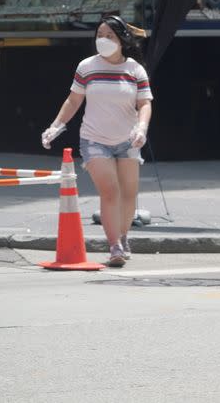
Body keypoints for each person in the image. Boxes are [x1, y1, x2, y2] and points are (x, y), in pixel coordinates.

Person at [41, 15, 153, 267]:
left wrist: (141, 127)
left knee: (129, 194)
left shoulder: (134, 69)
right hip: (94, 140)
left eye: (109, 36)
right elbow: (73, 100)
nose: (103, 40)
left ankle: (123, 236)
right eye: (99, 35)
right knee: (110, 191)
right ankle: (114, 246)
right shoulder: (87, 67)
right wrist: (56, 126)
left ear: (122, 40)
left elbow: (144, 103)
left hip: (128, 140)